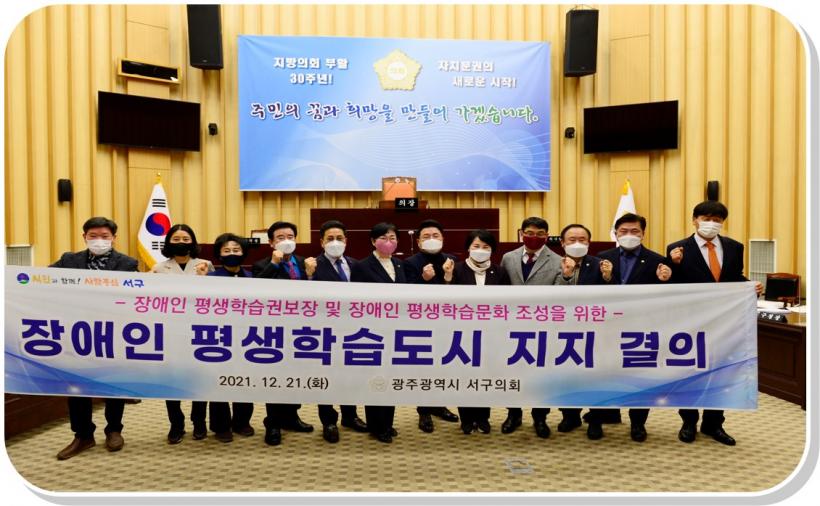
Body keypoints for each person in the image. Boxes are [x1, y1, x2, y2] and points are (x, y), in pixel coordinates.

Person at [667, 200, 762, 446]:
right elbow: (670, 285)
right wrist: (673, 265)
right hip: (691, 321)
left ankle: (714, 423)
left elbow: (734, 277)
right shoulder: (677, 249)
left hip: (724, 321)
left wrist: (750, 286)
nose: (711, 223)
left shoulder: (734, 247)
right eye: (706, 218)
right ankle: (688, 422)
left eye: (717, 220)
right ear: (694, 220)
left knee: (721, 372)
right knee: (690, 371)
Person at [50, 216, 138, 460]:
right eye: (93, 236)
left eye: (104, 236)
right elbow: (41, 280)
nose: (99, 240)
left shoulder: (127, 263)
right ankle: (83, 435)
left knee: (113, 382)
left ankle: (114, 430)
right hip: (77, 332)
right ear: (84, 237)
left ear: (114, 238)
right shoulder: (69, 260)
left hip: (112, 331)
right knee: (77, 384)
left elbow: (137, 294)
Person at [596, 212, 672, 442]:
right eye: (624, 231)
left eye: (634, 231)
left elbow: (666, 298)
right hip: (607, 328)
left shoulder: (657, 260)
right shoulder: (602, 258)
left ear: (643, 234)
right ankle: (598, 420)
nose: (629, 235)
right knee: (601, 374)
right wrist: (606, 278)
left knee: (639, 376)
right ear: (616, 233)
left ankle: (638, 423)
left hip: (641, 328)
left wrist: (664, 281)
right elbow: (592, 292)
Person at [499, 216, 569, 438]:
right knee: (513, 371)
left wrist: (567, 276)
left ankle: (540, 417)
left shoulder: (557, 260)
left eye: (540, 234)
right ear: (521, 233)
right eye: (529, 233)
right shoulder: (508, 258)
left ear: (547, 236)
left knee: (541, 375)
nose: (534, 237)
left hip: (543, 327)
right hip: (512, 326)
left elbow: (561, 295)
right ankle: (514, 414)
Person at [304, 220, 368, 443]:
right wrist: (309, 276)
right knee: (326, 377)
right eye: (330, 239)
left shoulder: (355, 264)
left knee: (349, 375)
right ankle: (328, 420)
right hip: (325, 331)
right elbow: (304, 298)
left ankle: (350, 415)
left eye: (339, 238)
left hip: (352, 331)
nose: (335, 242)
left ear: (346, 241)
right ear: (321, 242)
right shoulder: (312, 265)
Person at [252, 221, 314, 446]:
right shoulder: (261, 265)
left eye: (290, 236)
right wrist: (274, 264)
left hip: (301, 330)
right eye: (280, 237)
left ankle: (291, 417)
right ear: (271, 242)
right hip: (274, 330)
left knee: (296, 375)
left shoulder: (305, 262)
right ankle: (273, 423)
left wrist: (310, 276)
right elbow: (256, 291)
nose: (286, 240)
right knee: (275, 377)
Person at [151, 224, 214, 444]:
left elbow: (215, 298)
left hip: (200, 329)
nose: (181, 243)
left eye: (186, 239)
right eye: (176, 239)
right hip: (171, 330)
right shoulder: (159, 268)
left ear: (193, 242)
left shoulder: (205, 264)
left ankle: (199, 421)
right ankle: (176, 424)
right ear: (169, 242)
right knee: (172, 379)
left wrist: (205, 279)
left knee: (199, 377)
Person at [444, 229, 510, 434]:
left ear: (492, 250)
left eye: (485, 247)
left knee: (485, 374)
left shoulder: (500, 272)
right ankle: (466, 418)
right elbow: (444, 300)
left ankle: (482, 417)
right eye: (476, 246)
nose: (481, 250)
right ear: (468, 248)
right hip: (462, 333)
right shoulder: (456, 269)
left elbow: (508, 301)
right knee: (464, 375)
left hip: (491, 332)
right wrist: (447, 277)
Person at [349, 222, 406, 443]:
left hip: (395, 330)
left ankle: (387, 423)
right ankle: (376, 426)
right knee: (374, 378)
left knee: (390, 378)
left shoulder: (399, 264)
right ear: (373, 241)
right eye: (383, 238)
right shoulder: (362, 266)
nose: (388, 242)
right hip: (372, 331)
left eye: (392, 238)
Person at [402, 219, 460, 433]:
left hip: (448, 322)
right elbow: (407, 294)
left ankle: (439, 405)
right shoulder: (410, 262)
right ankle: (424, 410)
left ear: (443, 239)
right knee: (423, 367)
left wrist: (447, 277)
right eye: (426, 236)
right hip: (422, 324)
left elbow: (460, 291)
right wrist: (424, 279)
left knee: (444, 365)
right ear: (418, 241)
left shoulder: (452, 260)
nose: (431, 239)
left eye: (435, 235)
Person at [554, 223, 608, 437]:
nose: (577, 243)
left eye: (582, 240)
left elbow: (612, 296)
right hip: (562, 330)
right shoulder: (553, 263)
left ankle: (596, 419)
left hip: (595, 330)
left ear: (589, 242)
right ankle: (570, 415)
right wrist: (566, 276)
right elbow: (548, 296)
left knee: (596, 376)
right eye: (572, 240)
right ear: (562, 243)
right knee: (567, 375)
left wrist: (607, 278)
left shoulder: (600, 264)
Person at [206, 232, 256, 443]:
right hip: (219, 336)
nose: (232, 253)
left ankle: (242, 422)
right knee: (219, 381)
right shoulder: (210, 279)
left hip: (247, 337)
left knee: (244, 379)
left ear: (243, 253)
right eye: (226, 250)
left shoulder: (252, 277)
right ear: (219, 254)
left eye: (236, 250)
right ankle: (221, 426)